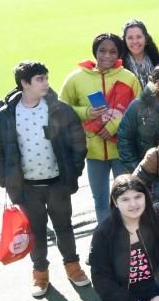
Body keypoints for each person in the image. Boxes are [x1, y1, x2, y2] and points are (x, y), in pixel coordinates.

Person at [0, 61, 88, 297]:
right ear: (24, 84)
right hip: (27, 187)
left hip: (57, 183)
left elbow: (78, 140)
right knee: (36, 232)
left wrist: (73, 170)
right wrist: (4, 178)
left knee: (64, 227)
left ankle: (73, 268)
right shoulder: (6, 115)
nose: (45, 83)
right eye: (39, 79)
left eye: (46, 78)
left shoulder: (59, 109)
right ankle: (40, 275)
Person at [59, 32, 141, 223]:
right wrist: (87, 112)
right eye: (102, 50)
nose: (107, 56)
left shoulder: (129, 78)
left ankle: (129, 235)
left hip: (122, 150)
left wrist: (114, 125)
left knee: (126, 198)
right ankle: (107, 237)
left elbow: (139, 109)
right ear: (95, 51)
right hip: (92, 151)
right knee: (100, 200)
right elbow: (61, 108)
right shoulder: (76, 78)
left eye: (113, 51)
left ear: (119, 54)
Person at [121, 19, 159, 89]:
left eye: (139, 37)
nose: (135, 41)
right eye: (130, 38)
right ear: (124, 41)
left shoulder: (158, 61)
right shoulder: (119, 66)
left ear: (146, 39)